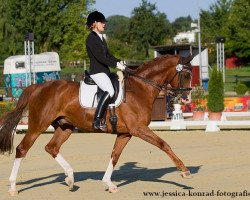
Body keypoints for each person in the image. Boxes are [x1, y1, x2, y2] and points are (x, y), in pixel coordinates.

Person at [86, 11, 126, 131]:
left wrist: (120, 62)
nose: (104, 24)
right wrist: (116, 65)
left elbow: (109, 56)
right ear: (94, 23)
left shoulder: (101, 38)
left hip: (104, 71)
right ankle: (97, 120)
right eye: (101, 22)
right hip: (97, 72)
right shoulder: (91, 39)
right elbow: (100, 58)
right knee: (110, 90)